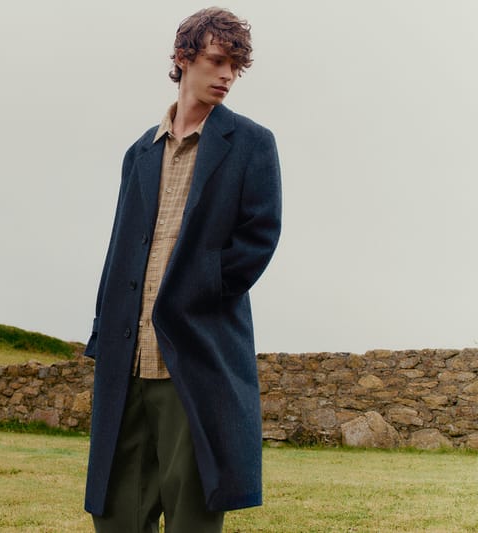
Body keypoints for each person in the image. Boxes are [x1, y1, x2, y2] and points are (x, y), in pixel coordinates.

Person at [83, 7, 282, 532]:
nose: (226, 75)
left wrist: (199, 289)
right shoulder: (139, 154)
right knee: (116, 517)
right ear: (183, 58)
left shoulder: (252, 144)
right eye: (217, 61)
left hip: (194, 362)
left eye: (235, 66)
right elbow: (119, 250)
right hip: (128, 364)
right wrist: (103, 333)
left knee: (193, 519)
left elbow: (259, 239)